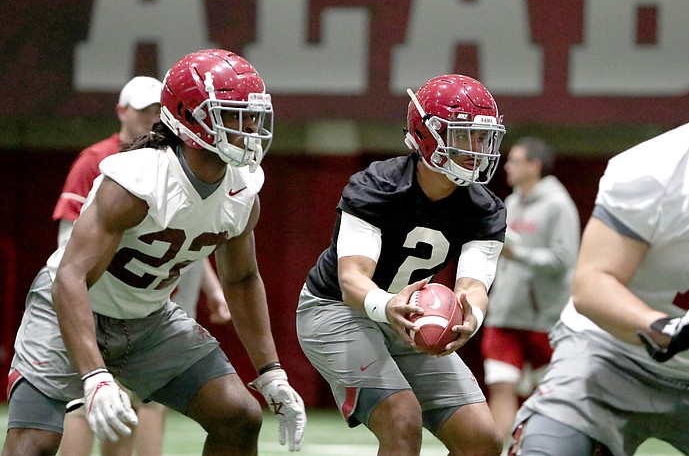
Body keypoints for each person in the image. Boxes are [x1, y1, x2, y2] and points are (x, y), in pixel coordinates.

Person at [508, 18, 689, 456]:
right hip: (611, 355)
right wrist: (660, 327)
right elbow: (591, 284)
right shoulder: (655, 169)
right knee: (548, 450)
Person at [2, 49, 305, 456]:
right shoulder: (138, 179)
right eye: (233, 115)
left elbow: (242, 278)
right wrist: (95, 376)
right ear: (190, 118)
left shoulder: (243, 188)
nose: (249, 127)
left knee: (239, 415)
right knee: (33, 444)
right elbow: (70, 277)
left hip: (147, 317)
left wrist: (271, 372)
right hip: (71, 307)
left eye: (252, 115)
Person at [296, 74, 507, 456]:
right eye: (463, 136)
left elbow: (473, 286)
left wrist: (470, 319)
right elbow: (351, 279)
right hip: (336, 310)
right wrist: (387, 306)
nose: (477, 149)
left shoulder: (484, 208)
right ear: (427, 136)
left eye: (482, 137)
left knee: (482, 440)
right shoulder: (378, 186)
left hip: (407, 316)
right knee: (402, 419)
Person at [50, 75, 231, 456]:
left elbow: (182, 240)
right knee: (85, 402)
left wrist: (215, 292)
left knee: (141, 406)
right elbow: (70, 250)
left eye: (157, 111)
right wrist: (76, 291)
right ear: (122, 111)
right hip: (101, 302)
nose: (151, 118)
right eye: (144, 110)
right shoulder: (100, 162)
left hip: (157, 302)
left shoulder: (177, 164)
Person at [480, 137, 580, 443]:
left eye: (515, 160)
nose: (507, 166)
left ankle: (536, 447)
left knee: (545, 394)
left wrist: (518, 253)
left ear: (534, 166)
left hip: (543, 318)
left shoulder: (559, 205)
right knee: (500, 384)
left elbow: (564, 260)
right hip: (505, 313)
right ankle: (496, 447)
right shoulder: (510, 202)